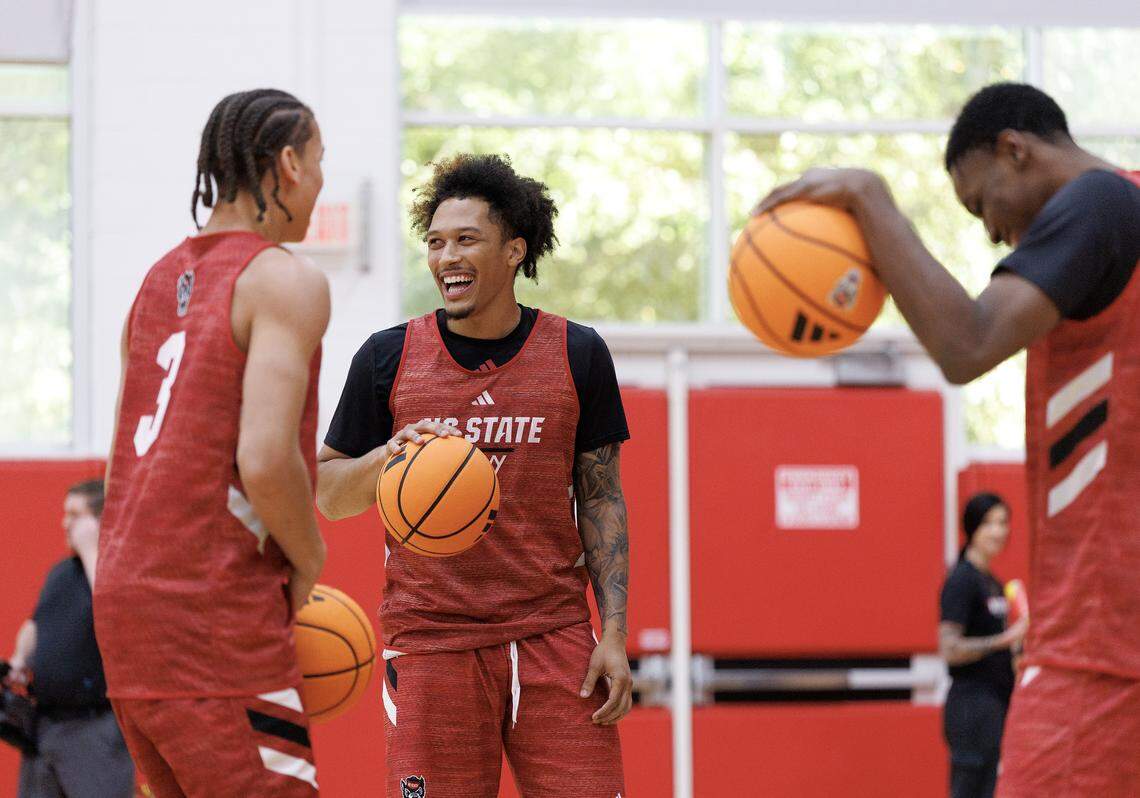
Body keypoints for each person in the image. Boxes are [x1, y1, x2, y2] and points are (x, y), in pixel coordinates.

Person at [755, 82, 1140, 796]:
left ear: (1014, 150)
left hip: (1102, 642)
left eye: (980, 203)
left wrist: (870, 200)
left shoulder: (1099, 202)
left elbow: (967, 344)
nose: (990, 231)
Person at [317, 153, 632, 797]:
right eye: (435, 242)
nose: (446, 257)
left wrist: (615, 633)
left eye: (466, 239)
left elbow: (602, 501)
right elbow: (329, 495)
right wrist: (388, 457)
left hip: (555, 638)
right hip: (432, 643)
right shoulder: (387, 357)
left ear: (515, 250)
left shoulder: (578, 354)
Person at [93, 89, 330, 798]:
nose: (322, 183)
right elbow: (264, 458)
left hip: (125, 610)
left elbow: (121, 465)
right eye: (320, 161)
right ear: (288, 164)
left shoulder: (153, 283)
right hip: (211, 612)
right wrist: (309, 556)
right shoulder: (283, 279)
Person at [6, 480, 134, 798]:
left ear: (102, 519)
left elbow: (117, 615)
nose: (65, 524)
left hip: (94, 727)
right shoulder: (61, 572)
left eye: (75, 515)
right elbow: (35, 625)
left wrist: (92, 550)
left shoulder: (118, 570)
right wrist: (19, 660)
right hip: (45, 725)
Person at [940, 492, 1025, 798]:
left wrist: (1019, 647)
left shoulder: (994, 583)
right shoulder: (962, 580)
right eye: (988, 523)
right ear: (972, 527)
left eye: (1003, 523)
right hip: (971, 705)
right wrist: (1006, 639)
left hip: (995, 705)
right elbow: (949, 648)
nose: (998, 531)